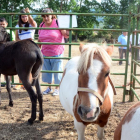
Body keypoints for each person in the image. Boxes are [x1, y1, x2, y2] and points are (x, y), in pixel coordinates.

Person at [38, 8, 69, 96]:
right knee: (47, 71)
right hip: (45, 52)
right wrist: (37, 49)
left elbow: (65, 35)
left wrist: (68, 29)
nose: (46, 18)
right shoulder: (41, 25)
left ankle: (57, 88)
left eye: (47, 16)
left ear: (52, 15)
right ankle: (49, 88)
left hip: (57, 52)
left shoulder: (58, 23)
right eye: (44, 16)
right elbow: (40, 38)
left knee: (57, 71)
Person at [14, 7, 37, 90]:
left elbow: (34, 24)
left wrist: (29, 13)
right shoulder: (17, 26)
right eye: (23, 16)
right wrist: (23, 41)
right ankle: (20, 83)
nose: (25, 18)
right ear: (20, 17)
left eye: (26, 16)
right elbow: (16, 37)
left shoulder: (31, 24)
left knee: (30, 66)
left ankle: (27, 83)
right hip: (22, 47)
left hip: (31, 47)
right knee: (20, 66)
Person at [0, 17, 15, 87]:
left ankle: (11, 82)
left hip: (9, 51)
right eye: (0, 24)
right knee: (3, 67)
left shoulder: (9, 31)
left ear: (6, 24)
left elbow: (13, 41)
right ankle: (5, 81)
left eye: (3, 24)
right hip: (2, 52)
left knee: (10, 67)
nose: (2, 26)